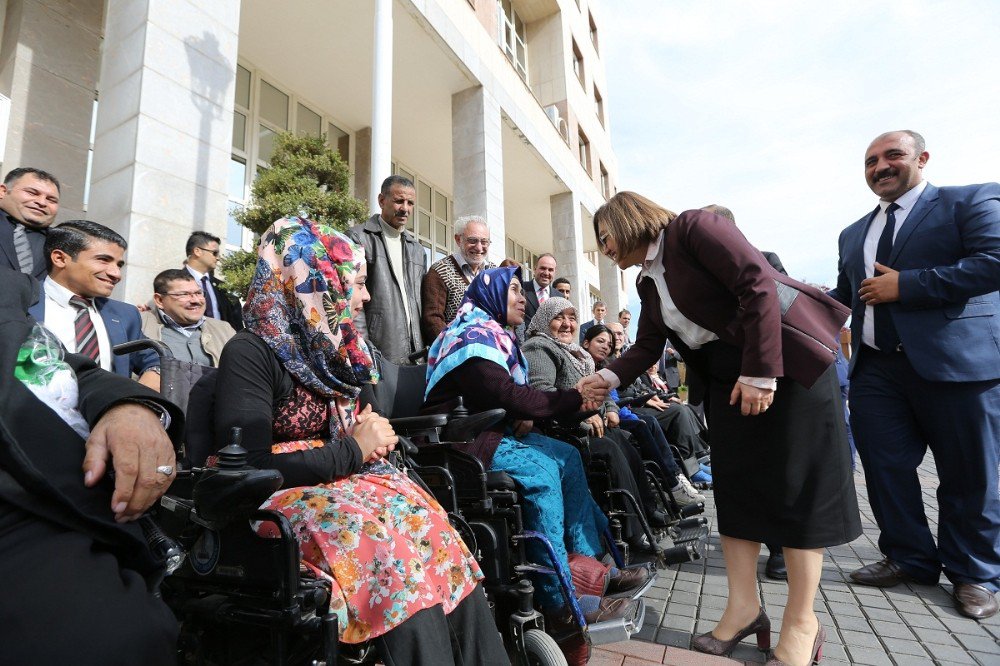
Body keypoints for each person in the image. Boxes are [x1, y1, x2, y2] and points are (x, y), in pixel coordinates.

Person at [581, 191, 860, 665]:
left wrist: (760, 371)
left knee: (794, 492)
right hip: (730, 382)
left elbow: (758, 285)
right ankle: (744, 608)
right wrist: (605, 377)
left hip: (781, 371)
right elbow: (648, 344)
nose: (603, 250)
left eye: (603, 238)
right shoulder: (649, 284)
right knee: (737, 491)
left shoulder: (692, 228)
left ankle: (801, 622)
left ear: (625, 221)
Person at [213, 216, 507, 663]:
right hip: (289, 493)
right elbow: (250, 467)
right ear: (315, 282)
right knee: (379, 546)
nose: (366, 297)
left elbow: (371, 423)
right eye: (357, 284)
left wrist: (370, 438)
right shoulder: (251, 351)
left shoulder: (339, 352)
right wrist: (355, 448)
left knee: (432, 528)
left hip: (351, 481)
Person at [830, 130, 1000, 620]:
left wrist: (908, 286)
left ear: (922, 158)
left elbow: (992, 263)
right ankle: (909, 557)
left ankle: (975, 573)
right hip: (877, 371)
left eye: (892, 156)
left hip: (958, 367)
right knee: (885, 471)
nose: (880, 167)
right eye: (870, 161)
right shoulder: (851, 232)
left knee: (969, 474)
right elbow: (842, 298)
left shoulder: (969, 200)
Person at [421, 267, 646, 627]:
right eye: (513, 290)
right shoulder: (470, 338)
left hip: (490, 430)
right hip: (459, 440)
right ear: (491, 294)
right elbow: (507, 395)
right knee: (542, 472)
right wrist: (571, 397)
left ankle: (592, 571)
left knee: (568, 456)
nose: (522, 297)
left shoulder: (496, 337)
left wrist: (541, 407)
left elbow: (512, 399)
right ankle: (560, 602)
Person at [0, 267, 181, 665]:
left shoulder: (9, 296)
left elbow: (63, 364)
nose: (115, 272)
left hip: (84, 497)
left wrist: (130, 406)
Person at [522, 297, 669, 540]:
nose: (568, 324)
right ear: (545, 319)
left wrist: (610, 408)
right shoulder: (539, 347)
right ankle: (635, 530)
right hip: (565, 428)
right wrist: (584, 417)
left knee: (627, 442)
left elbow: (600, 387)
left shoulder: (578, 353)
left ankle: (648, 509)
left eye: (572, 318)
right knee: (612, 449)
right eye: (560, 317)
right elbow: (543, 395)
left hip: (595, 423)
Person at [582, 324, 704, 508]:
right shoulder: (586, 364)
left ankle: (689, 467)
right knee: (649, 422)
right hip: (615, 413)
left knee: (681, 409)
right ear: (585, 343)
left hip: (621, 409)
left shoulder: (607, 363)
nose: (606, 346)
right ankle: (672, 482)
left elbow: (615, 394)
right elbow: (613, 394)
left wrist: (646, 398)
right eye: (600, 341)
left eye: (610, 341)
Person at [28, 221, 160, 389]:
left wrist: (138, 399)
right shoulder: (20, 303)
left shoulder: (125, 315)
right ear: (60, 258)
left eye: (119, 265)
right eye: (103, 260)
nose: (116, 274)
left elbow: (157, 358)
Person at [347, 175, 425, 363]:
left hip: (417, 354)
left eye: (410, 203)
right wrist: (364, 347)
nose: (405, 208)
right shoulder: (358, 238)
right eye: (399, 201)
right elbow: (350, 295)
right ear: (382, 201)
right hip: (380, 351)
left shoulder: (417, 249)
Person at [420, 214, 496, 343]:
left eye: (484, 242)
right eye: (472, 240)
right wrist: (455, 346)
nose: (479, 247)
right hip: (457, 354)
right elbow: (433, 319)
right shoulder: (440, 272)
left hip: (493, 350)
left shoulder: (494, 272)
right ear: (458, 239)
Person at [140, 269, 236, 367]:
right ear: (159, 300)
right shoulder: (140, 325)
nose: (196, 300)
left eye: (198, 293)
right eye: (184, 294)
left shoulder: (225, 330)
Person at [0, 167, 61, 282]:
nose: (42, 202)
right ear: (3, 191)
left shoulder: (62, 244)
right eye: (32, 193)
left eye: (51, 200)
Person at [183, 231, 244, 331]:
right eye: (214, 253)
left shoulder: (222, 287)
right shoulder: (175, 282)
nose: (218, 258)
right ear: (197, 251)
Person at [522, 253, 557, 329]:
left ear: (554, 272)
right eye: (543, 268)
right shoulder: (521, 289)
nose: (546, 273)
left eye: (550, 270)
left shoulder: (559, 297)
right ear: (535, 269)